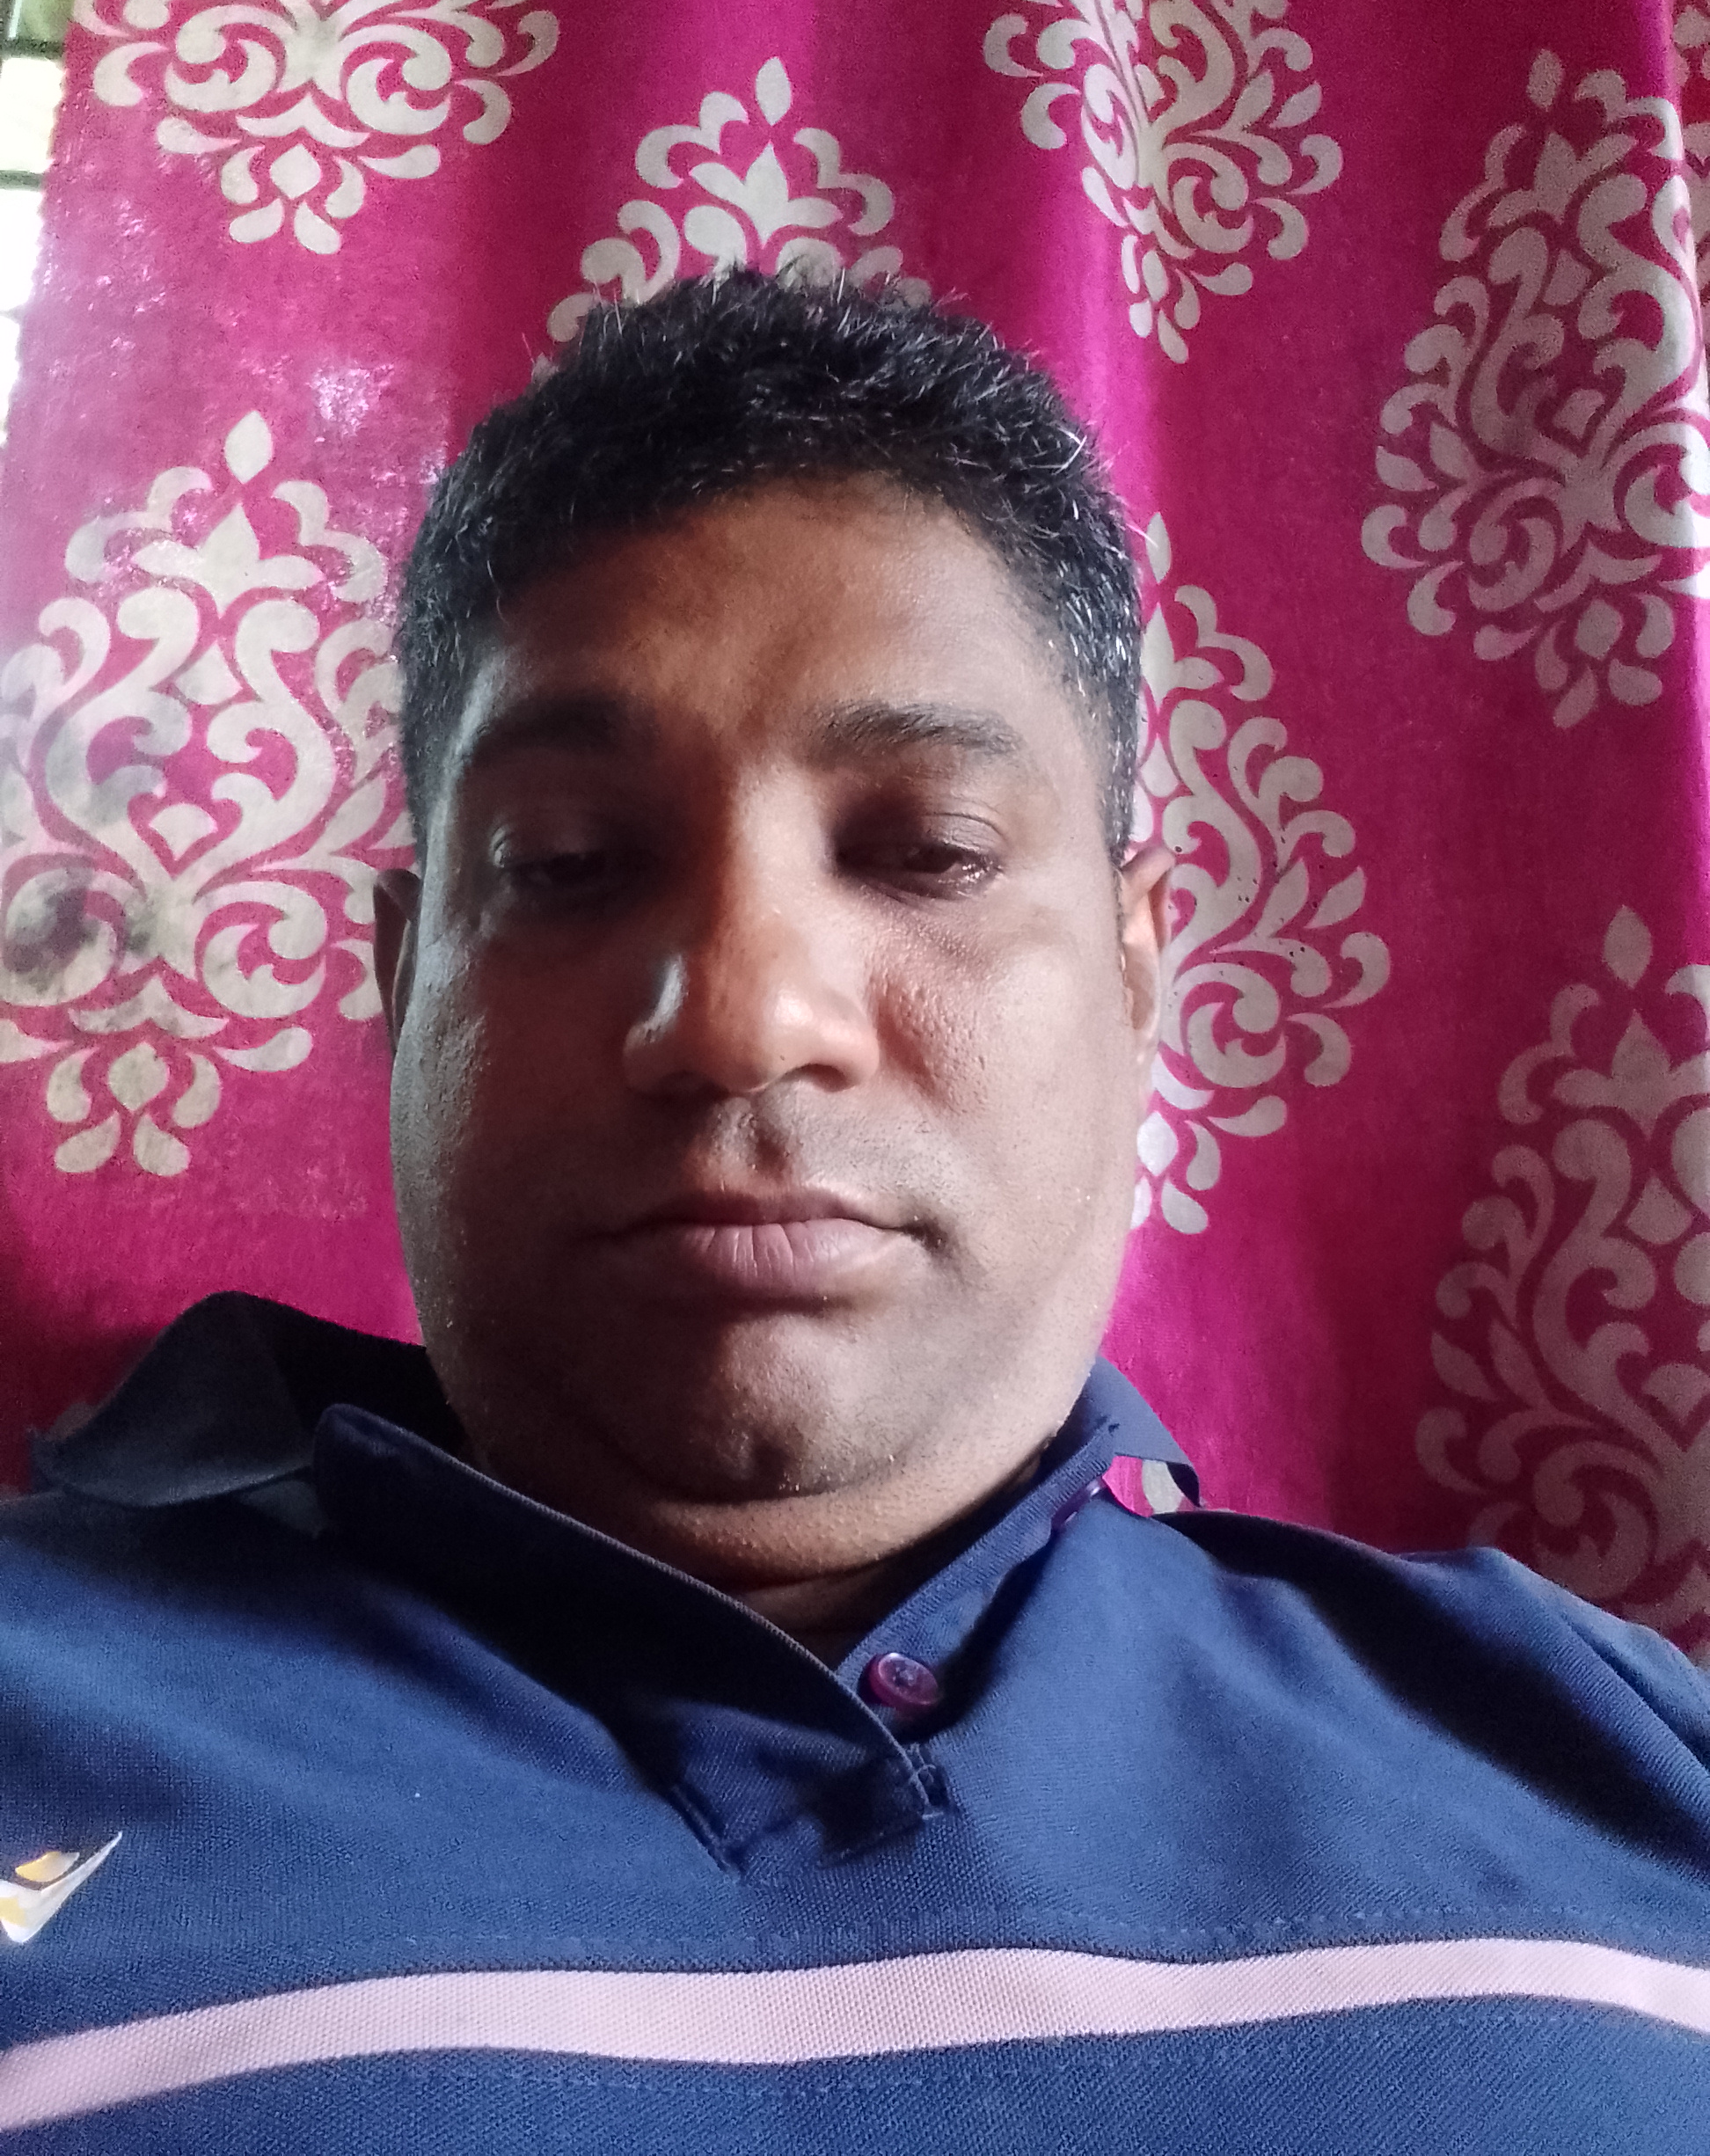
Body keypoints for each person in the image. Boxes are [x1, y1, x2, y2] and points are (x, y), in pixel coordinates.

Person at [2, 272, 1706, 2152]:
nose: (743, 1018)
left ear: (1138, 966)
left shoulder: (1602, 1736)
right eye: (568, 864)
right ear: (406, 980)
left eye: (930, 852)